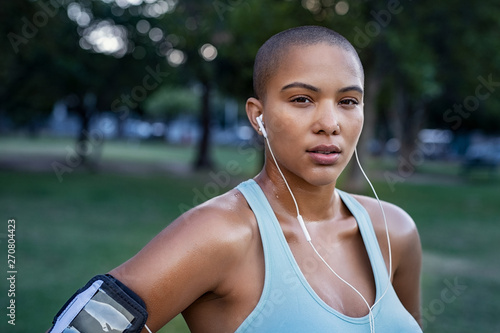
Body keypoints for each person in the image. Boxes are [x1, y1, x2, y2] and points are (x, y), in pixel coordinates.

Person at [49, 26, 422, 333]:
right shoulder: (219, 234)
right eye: (302, 100)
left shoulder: (395, 231)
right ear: (257, 116)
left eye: (348, 101)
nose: (330, 123)